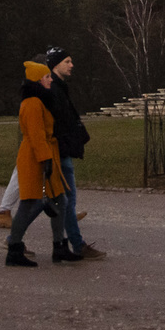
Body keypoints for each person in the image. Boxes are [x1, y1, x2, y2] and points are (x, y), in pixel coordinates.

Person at [5, 61, 79, 267]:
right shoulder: (32, 103)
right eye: (46, 77)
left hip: (46, 154)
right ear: (38, 80)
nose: (50, 80)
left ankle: (59, 246)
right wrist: (45, 159)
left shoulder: (41, 101)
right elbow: (36, 136)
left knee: (60, 200)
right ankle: (14, 248)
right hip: (35, 158)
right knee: (29, 203)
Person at [42, 48, 104, 261]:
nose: (71, 65)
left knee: (65, 201)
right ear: (56, 64)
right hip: (58, 152)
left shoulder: (60, 89)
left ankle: (72, 244)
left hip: (63, 150)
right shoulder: (53, 90)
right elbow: (57, 123)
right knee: (57, 201)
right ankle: (15, 239)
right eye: (67, 61)